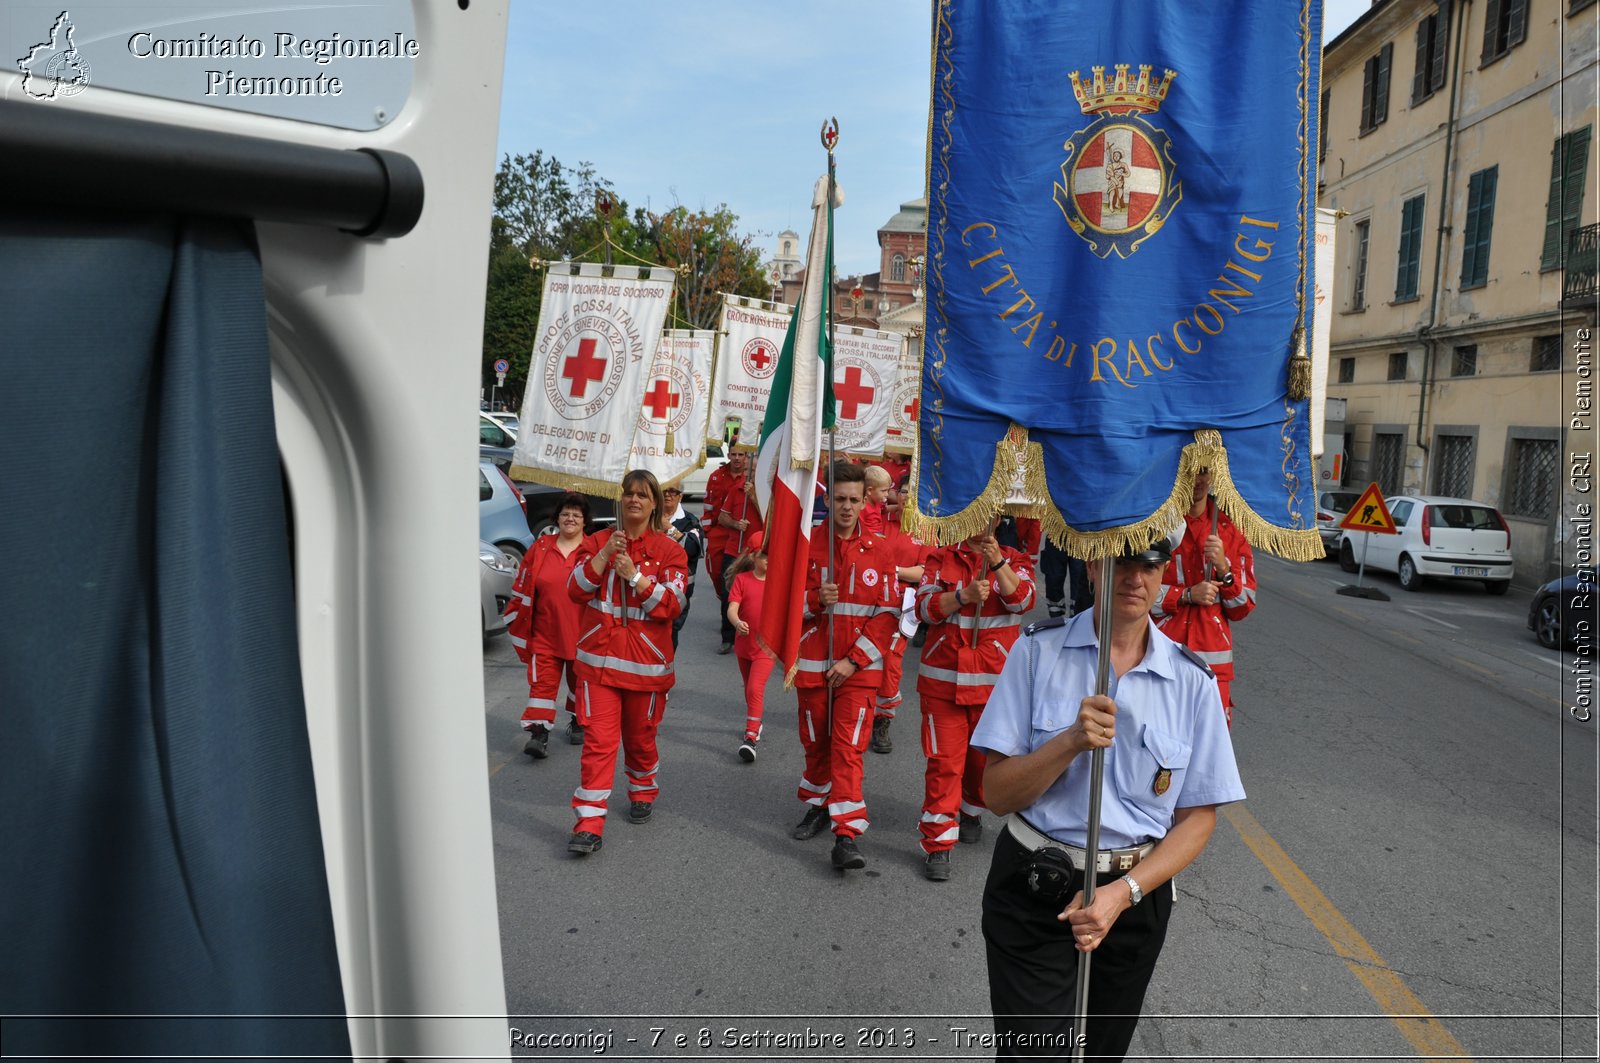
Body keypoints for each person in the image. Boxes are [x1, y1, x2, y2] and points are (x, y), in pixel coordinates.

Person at [971, 538, 1244, 1061]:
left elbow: (1197, 819)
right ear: (1093, 566)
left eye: (1149, 565)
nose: (1135, 578)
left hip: (1134, 898)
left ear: (1164, 573)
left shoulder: (1192, 681)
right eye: (1121, 563)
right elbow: (997, 793)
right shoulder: (1036, 652)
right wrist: (1069, 741)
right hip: (1035, 887)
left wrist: (1122, 894)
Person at [564, 470, 688, 855]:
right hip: (598, 665)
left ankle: (642, 789)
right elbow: (574, 591)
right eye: (629, 494)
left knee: (640, 740)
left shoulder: (671, 551)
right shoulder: (599, 541)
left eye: (643, 495)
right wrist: (602, 556)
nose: (634, 500)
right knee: (599, 744)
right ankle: (588, 823)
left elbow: (672, 606)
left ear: (654, 503)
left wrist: (635, 577)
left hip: (645, 671)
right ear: (620, 499)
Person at [790, 461, 901, 871]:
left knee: (848, 748)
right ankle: (819, 804)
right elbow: (782, 610)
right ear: (826, 498)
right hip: (812, 663)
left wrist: (853, 662)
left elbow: (889, 614)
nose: (847, 507)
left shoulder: (882, 549)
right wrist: (817, 600)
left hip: (858, 671)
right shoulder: (804, 545)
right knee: (815, 742)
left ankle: (846, 834)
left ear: (864, 500)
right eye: (839, 499)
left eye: (855, 499)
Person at [913, 516, 1036, 881]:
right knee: (944, 764)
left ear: (999, 518)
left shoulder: (1015, 558)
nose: (983, 522)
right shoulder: (939, 558)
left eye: (990, 515)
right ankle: (938, 844)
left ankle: (970, 809)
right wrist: (962, 597)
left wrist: (998, 562)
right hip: (942, 683)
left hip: (994, 689)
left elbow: (1024, 601)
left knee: (982, 765)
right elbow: (922, 609)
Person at [1151, 467, 1258, 727]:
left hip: (1213, 667)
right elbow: (1137, 594)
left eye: (1203, 472)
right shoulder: (1156, 524)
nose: (1196, 480)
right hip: (1162, 655)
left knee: (1209, 752)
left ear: (1213, 476)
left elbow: (1242, 607)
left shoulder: (1231, 531)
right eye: (1188, 471)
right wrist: (1185, 595)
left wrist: (1224, 568)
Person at [504, 493, 590, 757]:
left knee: (581, 682)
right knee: (541, 686)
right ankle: (539, 734)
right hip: (545, 633)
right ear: (557, 518)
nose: (570, 518)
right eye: (565, 513)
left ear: (585, 521)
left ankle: (578, 721)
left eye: (576, 514)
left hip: (582, 634)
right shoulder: (541, 546)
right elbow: (523, 583)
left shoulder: (593, 550)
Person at [869, 484, 930, 754]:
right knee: (863, 657)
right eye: (904, 491)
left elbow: (923, 573)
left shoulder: (925, 530)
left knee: (891, 663)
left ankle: (883, 719)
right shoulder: (880, 517)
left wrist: (892, 570)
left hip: (900, 607)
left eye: (915, 493)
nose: (908, 497)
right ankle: (857, 710)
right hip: (868, 602)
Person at [724, 532, 773, 762]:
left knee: (755, 688)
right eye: (764, 556)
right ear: (753, 557)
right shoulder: (742, 580)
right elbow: (732, 609)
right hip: (744, 644)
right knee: (748, 689)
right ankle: (757, 720)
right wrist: (737, 622)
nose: (768, 561)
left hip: (766, 647)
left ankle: (750, 737)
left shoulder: (778, 581)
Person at [716, 451, 765, 654]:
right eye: (747, 470)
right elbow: (721, 517)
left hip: (757, 553)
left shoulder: (766, 493)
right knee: (728, 591)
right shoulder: (735, 489)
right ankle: (727, 637)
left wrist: (753, 497)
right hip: (735, 549)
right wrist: (736, 523)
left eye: (753, 471)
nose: (749, 475)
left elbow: (771, 521)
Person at [702, 448, 745, 653]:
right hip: (720, 533)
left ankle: (732, 627)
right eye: (734, 454)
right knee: (719, 575)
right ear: (729, 455)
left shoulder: (752, 478)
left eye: (741, 454)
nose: (737, 458)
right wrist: (708, 530)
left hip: (742, 536)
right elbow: (709, 506)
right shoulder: (716, 476)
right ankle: (727, 607)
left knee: (740, 582)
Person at [662, 484, 703, 650]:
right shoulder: (648, 516)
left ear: (680, 495)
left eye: (673, 492)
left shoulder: (690, 520)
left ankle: (665, 672)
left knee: (671, 631)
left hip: (679, 588)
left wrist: (669, 529)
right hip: (651, 583)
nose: (668, 495)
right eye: (664, 491)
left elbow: (693, 549)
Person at [860, 464, 891, 536]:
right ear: (870, 490)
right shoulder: (862, 507)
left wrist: (897, 507)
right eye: (883, 491)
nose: (887, 494)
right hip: (868, 539)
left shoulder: (877, 502)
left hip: (879, 536)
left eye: (888, 490)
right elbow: (859, 528)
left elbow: (884, 509)